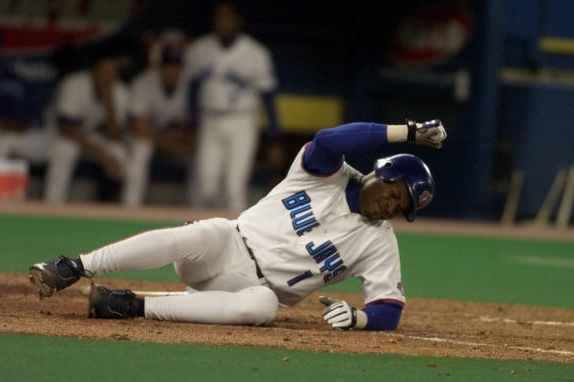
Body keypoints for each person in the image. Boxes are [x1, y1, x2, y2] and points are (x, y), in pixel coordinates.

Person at [29, 119, 447, 330]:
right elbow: (327, 140)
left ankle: (125, 305)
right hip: (225, 246)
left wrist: (360, 319)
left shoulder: (380, 242)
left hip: (251, 290)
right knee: (206, 231)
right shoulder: (325, 172)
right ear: (381, 172)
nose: (394, 205)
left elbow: (388, 308)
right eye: (396, 192)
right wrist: (406, 131)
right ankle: (73, 266)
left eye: (403, 207)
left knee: (264, 308)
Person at [186, 1, 281, 211]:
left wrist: (274, 137)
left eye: (228, 17)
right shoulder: (200, 49)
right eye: (219, 17)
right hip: (209, 119)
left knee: (234, 186)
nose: (223, 22)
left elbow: (268, 96)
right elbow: (191, 90)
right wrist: (191, 124)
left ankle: (234, 240)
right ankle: (198, 240)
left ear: (239, 20)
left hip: (242, 120)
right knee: (205, 186)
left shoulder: (256, 53)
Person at [44, 49, 129, 203]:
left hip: (92, 140)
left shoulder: (120, 91)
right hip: (57, 136)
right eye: (105, 70)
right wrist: (103, 155)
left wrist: (109, 102)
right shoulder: (74, 84)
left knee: (119, 153)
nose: (109, 75)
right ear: (94, 71)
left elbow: (115, 135)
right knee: (65, 149)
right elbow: (67, 129)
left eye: (113, 71)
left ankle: (110, 206)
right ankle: (53, 202)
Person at [123, 43, 194, 206]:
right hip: (144, 138)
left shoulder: (189, 85)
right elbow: (139, 126)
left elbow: (191, 127)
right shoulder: (144, 82)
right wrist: (165, 144)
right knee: (141, 150)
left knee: (199, 154)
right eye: (168, 66)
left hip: (171, 139)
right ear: (159, 67)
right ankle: (130, 206)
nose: (172, 71)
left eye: (176, 66)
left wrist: (176, 141)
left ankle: (195, 210)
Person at [0, 26, 51, 163]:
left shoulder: (16, 80)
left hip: (7, 130)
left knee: (2, 141)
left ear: (1, 49)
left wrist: (14, 125)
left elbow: (33, 116)